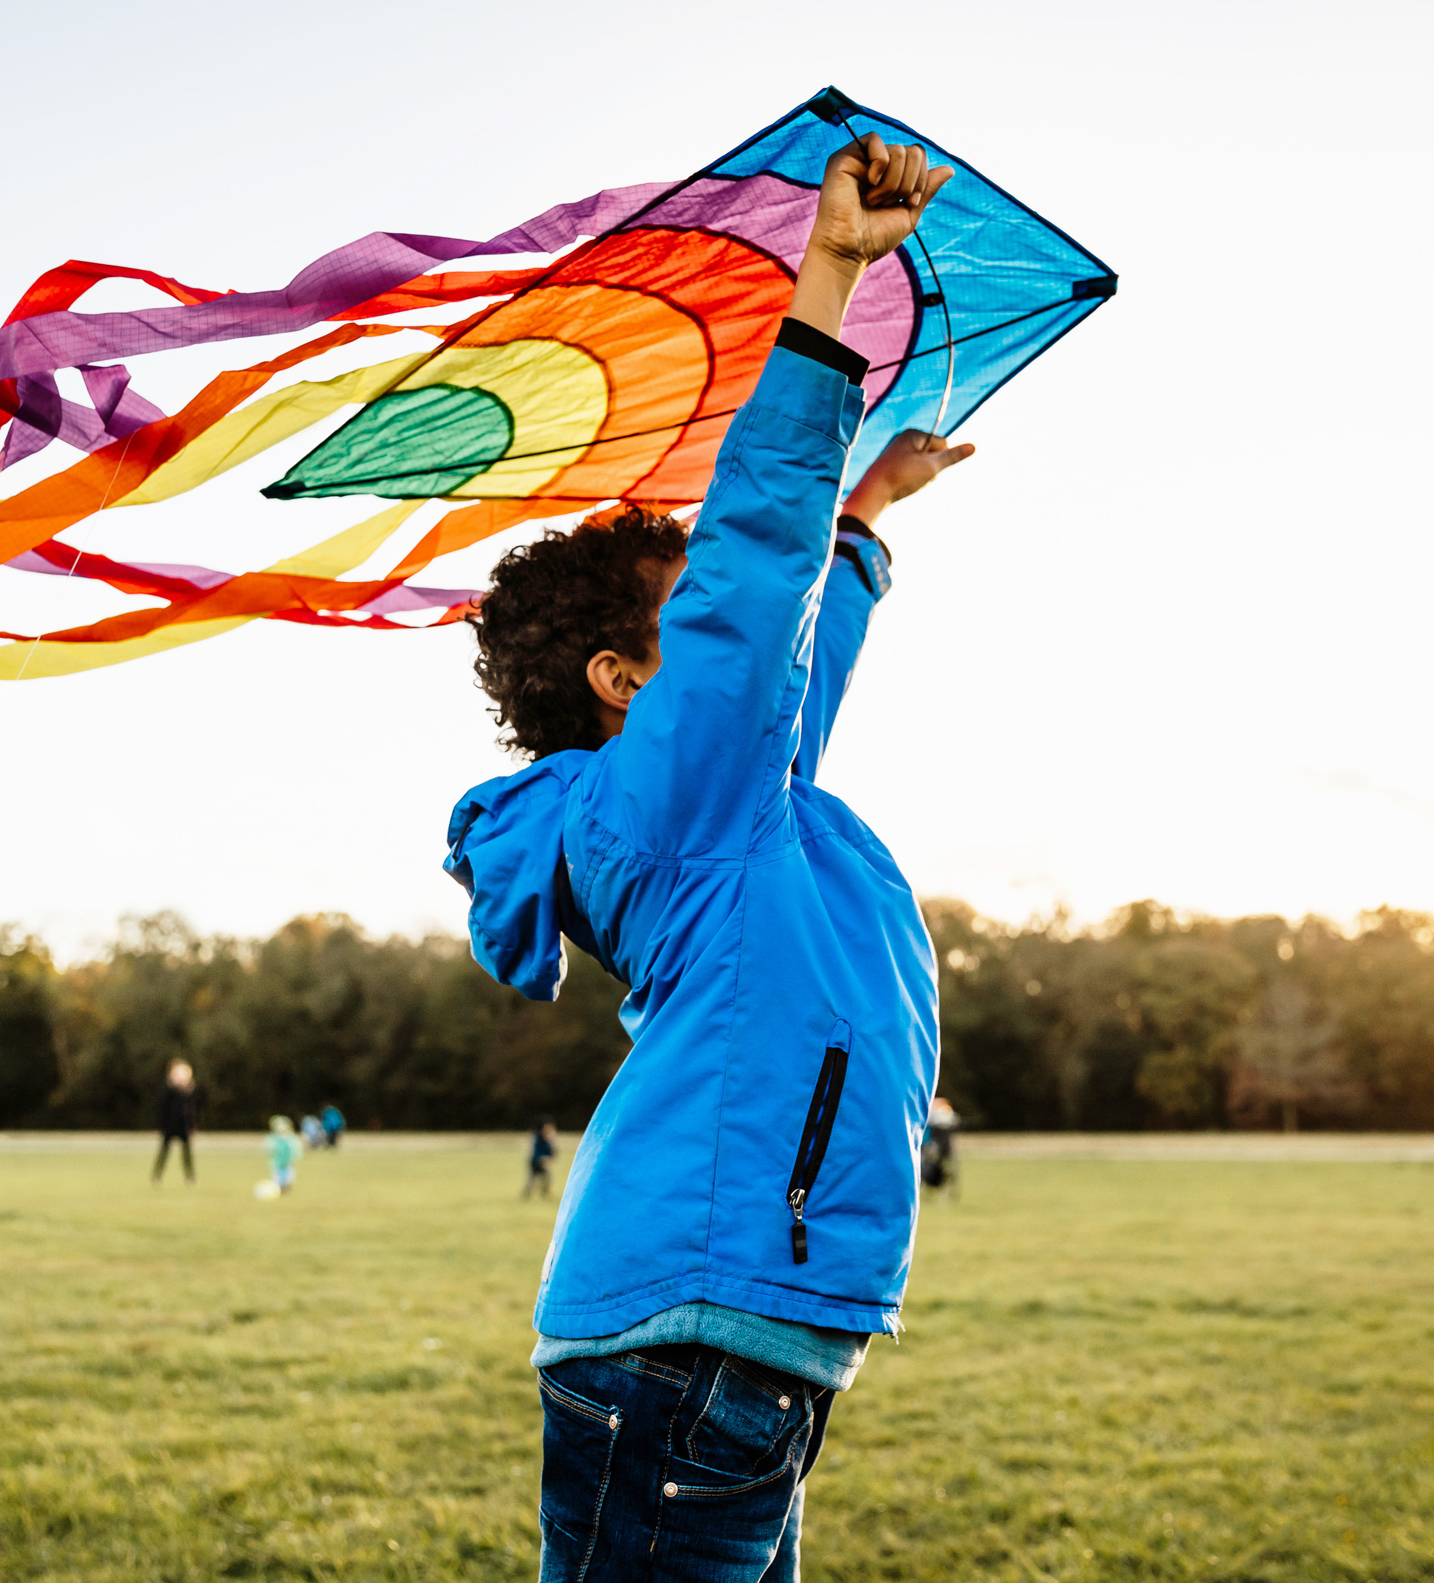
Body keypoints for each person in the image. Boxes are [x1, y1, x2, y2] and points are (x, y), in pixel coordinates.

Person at [447, 133, 963, 1580]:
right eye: (694, 625)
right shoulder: (667, 800)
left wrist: (858, 524)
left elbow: (787, 640)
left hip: (727, 1327)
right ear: (627, 680)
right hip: (688, 1327)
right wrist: (827, 290)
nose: (750, 640)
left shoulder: (728, 793)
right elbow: (748, 585)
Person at [153, 1061, 200, 1184]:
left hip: (183, 1127)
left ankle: (190, 1176)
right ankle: (157, 1175)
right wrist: (160, 1126)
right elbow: (162, 1108)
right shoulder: (169, 1091)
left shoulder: (188, 1092)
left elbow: (192, 1111)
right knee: (164, 1152)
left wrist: (192, 1127)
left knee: (187, 1154)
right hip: (170, 1126)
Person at [922, 1096, 961, 1198]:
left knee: (935, 1169)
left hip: (937, 1148)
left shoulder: (936, 1116)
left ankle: (931, 1189)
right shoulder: (949, 1116)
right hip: (943, 1149)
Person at [524, 1117, 559, 1200]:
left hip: (543, 1163)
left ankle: (544, 1193)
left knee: (547, 1178)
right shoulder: (537, 1138)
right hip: (535, 1162)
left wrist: (549, 1157)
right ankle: (527, 1193)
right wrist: (541, 1158)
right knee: (532, 1179)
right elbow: (535, 1151)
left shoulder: (549, 1140)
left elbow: (552, 1152)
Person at [265, 1115, 301, 1194]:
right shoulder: (274, 1139)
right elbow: (269, 1148)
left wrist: (295, 1156)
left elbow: (296, 1149)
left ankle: (285, 1188)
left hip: (288, 1162)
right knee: (277, 1177)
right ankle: (278, 1189)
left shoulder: (291, 1139)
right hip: (277, 1162)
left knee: (289, 1177)